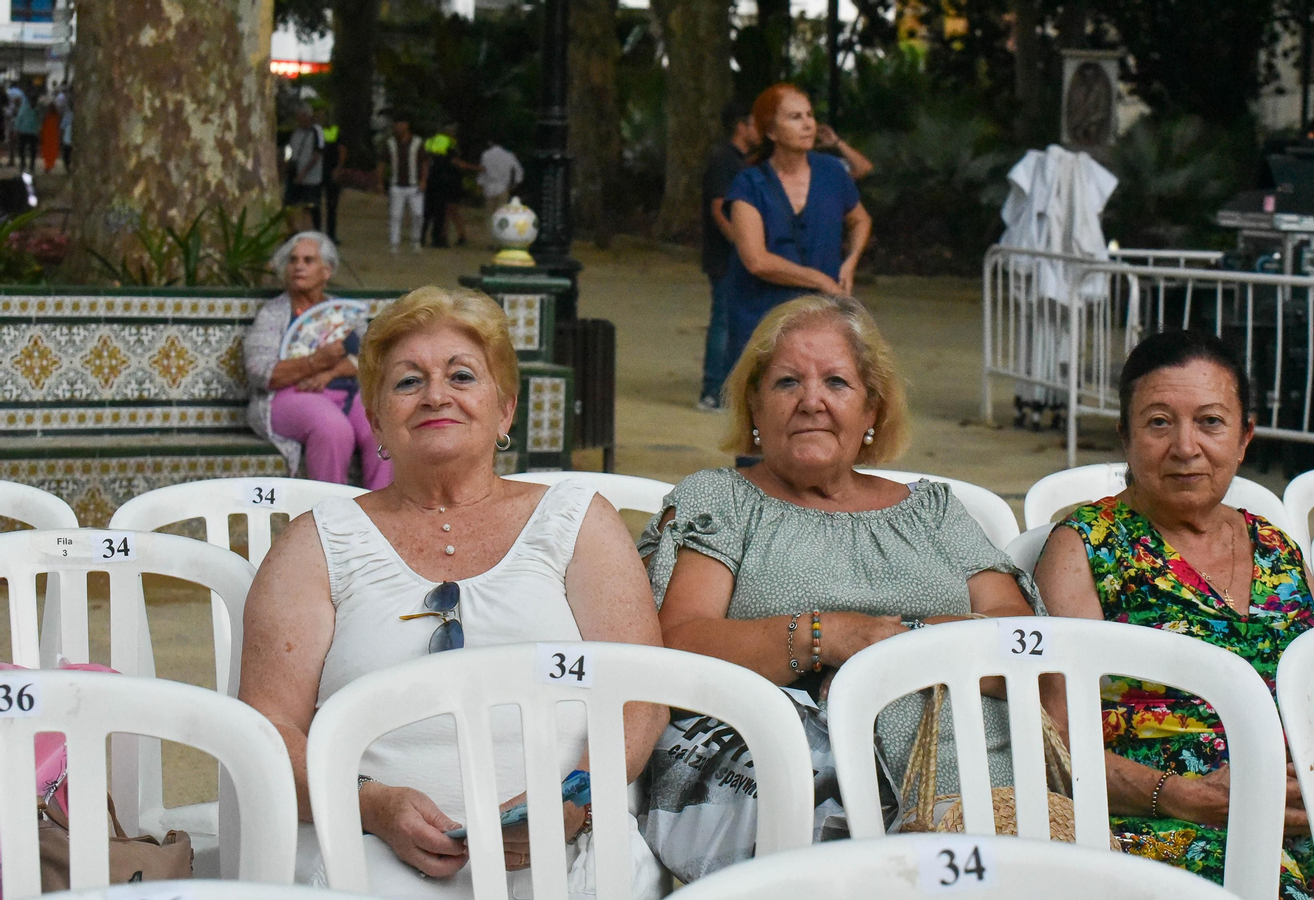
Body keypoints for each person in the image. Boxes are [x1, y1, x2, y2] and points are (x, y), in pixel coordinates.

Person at [238, 286, 669, 898]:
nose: (435, 395)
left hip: (570, 843)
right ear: (376, 418)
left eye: (461, 376)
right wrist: (370, 805)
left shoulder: (577, 520)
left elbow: (641, 698)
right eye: (408, 382)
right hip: (369, 849)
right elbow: (267, 726)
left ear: (504, 412)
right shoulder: (317, 543)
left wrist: (575, 799)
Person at [1032, 330, 1314, 899]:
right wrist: (1186, 796)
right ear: (1124, 437)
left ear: (1245, 437)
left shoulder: (1278, 548)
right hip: (1171, 824)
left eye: (1211, 422)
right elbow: (1055, 737)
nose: (1185, 447)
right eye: (1157, 423)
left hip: (1310, 812)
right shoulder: (1086, 546)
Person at [641, 294, 1043, 796]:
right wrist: (823, 636)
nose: (812, 401)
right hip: (791, 780)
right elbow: (680, 644)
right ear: (755, 405)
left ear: (872, 407)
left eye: (836, 382)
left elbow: (1020, 639)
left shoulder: (935, 510)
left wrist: (888, 648)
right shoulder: (722, 499)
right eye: (787, 382)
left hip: (974, 775)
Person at [723, 84, 872, 369]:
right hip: (762, 321)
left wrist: (850, 263)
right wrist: (820, 280)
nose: (807, 125)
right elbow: (756, 261)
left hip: (821, 320)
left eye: (809, 115)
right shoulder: (749, 184)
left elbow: (861, 219)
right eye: (795, 117)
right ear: (770, 131)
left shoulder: (831, 172)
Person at [244, 232, 391, 490]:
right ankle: (330, 517)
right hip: (289, 395)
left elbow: (370, 361)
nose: (298, 266)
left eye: (308, 260)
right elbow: (262, 374)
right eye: (293, 260)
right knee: (333, 428)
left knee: (382, 425)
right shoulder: (273, 314)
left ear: (327, 271)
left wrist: (329, 373)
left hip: (345, 391)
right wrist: (315, 361)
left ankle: (382, 515)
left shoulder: (343, 312)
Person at [697, 102, 760, 411]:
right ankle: (712, 390)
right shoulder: (725, 160)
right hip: (725, 258)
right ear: (741, 125)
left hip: (735, 257)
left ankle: (727, 387)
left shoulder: (745, 161)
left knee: (733, 320)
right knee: (722, 320)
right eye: (755, 124)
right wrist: (740, 241)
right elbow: (719, 207)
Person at [379, 117, 428, 255]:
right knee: (395, 215)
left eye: (400, 124)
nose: (398, 128)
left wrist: (423, 180)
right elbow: (382, 163)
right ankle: (394, 243)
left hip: (414, 185)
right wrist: (380, 182)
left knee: (418, 214)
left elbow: (424, 163)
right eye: (396, 125)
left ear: (406, 125)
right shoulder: (390, 143)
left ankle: (416, 240)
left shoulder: (418, 142)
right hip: (396, 185)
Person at [284, 107, 325, 232]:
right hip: (295, 174)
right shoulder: (296, 132)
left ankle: (311, 231)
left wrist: (304, 172)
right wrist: (286, 163)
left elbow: (317, 154)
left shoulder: (316, 131)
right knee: (288, 205)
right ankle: (294, 231)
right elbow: (289, 150)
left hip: (311, 178)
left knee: (309, 206)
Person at [476, 137, 523, 230]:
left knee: (489, 215)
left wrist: (480, 184)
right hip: (503, 188)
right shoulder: (509, 155)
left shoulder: (486, 154)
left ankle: (490, 241)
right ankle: (501, 238)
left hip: (489, 188)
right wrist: (515, 183)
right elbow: (519, 171)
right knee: (501, 215)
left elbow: (482, 171)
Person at [319, 109, 346, 243]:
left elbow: (342, 150)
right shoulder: (314, 130)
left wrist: (339, 168)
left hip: (331, 170)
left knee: (331, 205)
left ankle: (331, 235)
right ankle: (317, 233)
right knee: (315, 204)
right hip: (317, 172)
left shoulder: (334, 130)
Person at [13, 92, 40, 174]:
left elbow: (38, 121)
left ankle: (31, 166)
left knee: (33, 151)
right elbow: (19, 119)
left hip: (33, 133)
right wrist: (16, 130)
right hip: (23, 131)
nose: (33, 103)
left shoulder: (36, 109)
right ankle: (23, 165)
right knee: (21, 150)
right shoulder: (24, 108)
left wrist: (38, 130)